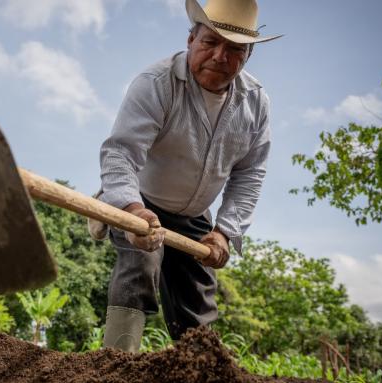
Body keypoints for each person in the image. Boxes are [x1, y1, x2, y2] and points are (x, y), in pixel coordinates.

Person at [94, 0, 282, 352]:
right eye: (210, 43)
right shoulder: (157, 83)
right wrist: (132, 212)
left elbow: (250, 174)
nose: (219, 56)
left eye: (234, 50)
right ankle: (114, 369)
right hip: (143, 200)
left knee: (197, 304)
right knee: (140, 267)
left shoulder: (255, 103)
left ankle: (202, 377)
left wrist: (225, 233)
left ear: (247, 57)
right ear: (191, 39)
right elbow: (121, 152)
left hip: (196, 215)